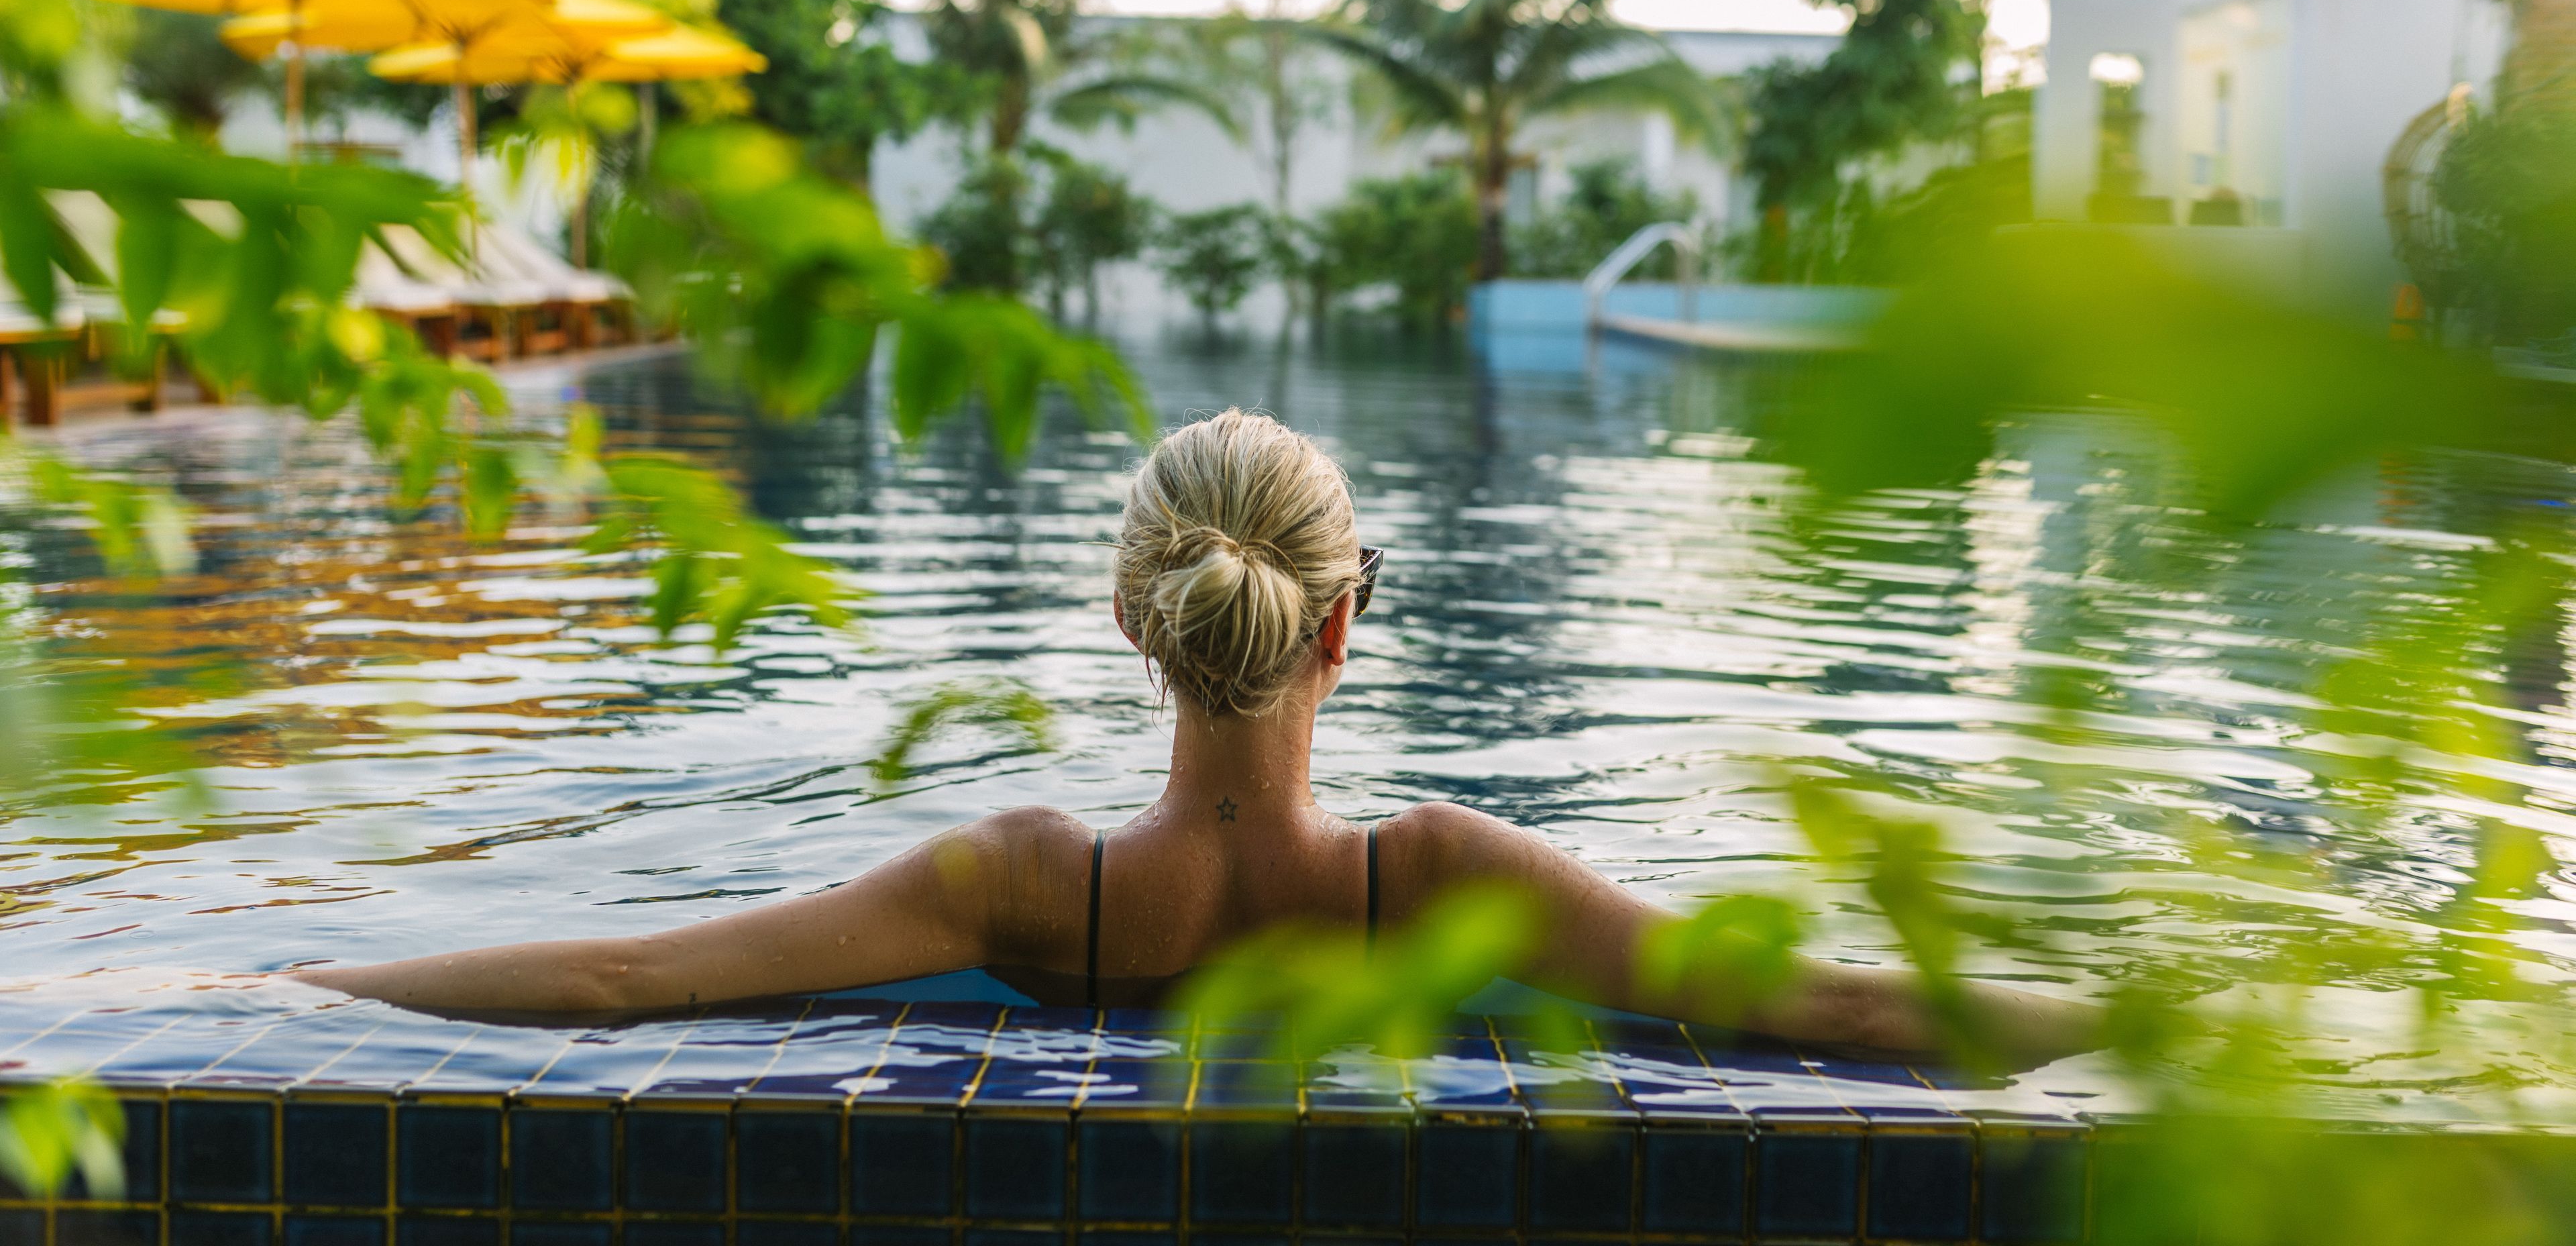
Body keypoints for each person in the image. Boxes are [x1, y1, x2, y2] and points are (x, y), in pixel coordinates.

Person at [293, 408, 2096, 1063]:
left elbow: (631, 985)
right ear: (1343, 620)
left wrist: (297, 996)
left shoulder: (1014, 886)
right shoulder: (1446, 876)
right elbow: (1846, 1005)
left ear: (1129, 622)